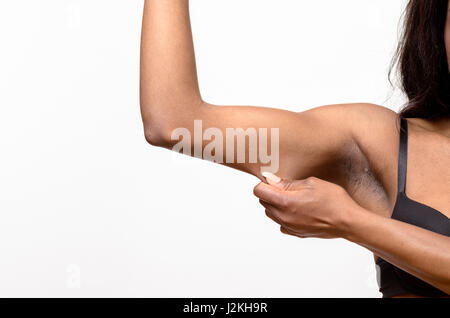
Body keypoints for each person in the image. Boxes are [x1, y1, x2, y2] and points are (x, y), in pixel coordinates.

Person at [139, 0, 450, 297]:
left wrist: (348, 220)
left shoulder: (357, 202)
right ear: (439, 27)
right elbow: (174, 125)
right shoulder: (383, 143)